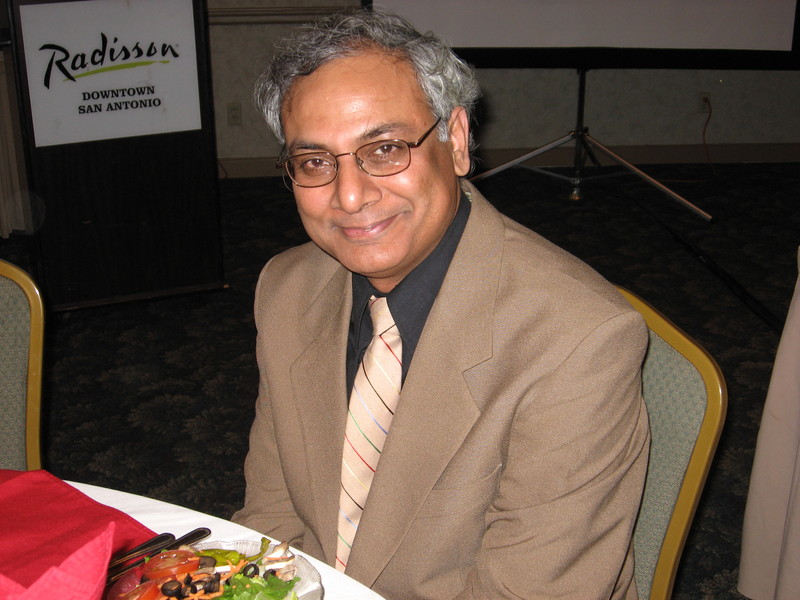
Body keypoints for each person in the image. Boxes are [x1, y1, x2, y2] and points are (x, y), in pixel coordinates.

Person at [232, 8, 650, 600]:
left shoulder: (576, 341)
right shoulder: (288, 289)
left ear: (455, 140)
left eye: (385, 149)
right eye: (316, 162)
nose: (349, 196)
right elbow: (271, 520)